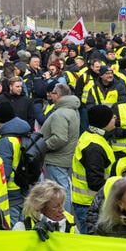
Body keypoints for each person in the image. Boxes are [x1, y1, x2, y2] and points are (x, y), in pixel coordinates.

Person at [70, 105, 116, 234]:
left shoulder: (90, 136)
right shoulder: (94, 146)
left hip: (86, 201)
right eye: (112, 117)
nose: (115, 118)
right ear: (104, 122)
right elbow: (95, 182)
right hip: (90, 203)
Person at [40, 84, 81, 212]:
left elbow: (59, 138)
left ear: (57, 95)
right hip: (65, 156)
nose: (50, 95)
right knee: (63, 189)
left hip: (56, 158)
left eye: (52, 93)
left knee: (60, 191)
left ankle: (64, 217)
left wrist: (43, 146)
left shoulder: (61, 113)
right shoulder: (72, 109)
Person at [13, 181, 77, 233]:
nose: (62, 210)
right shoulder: (22, 228)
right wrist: (33, 235)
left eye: (62, 205)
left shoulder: (71, 224)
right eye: (56, 207)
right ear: (40, 208)